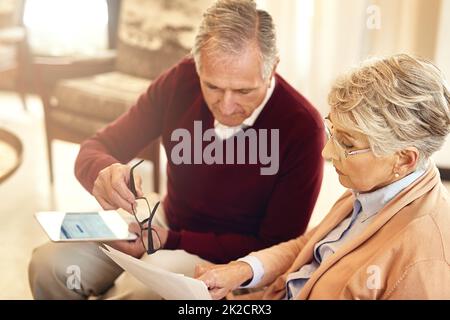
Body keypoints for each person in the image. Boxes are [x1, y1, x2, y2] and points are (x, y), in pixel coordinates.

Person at [28, 0, 324, 299]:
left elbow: (276, 248)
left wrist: (171, 240)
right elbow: (97, 146)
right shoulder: (181, 80)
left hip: (228, 257)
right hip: (163, 222)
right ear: (197, 65)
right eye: (213, 87)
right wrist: (103, 172)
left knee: (140, 293)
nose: (226, 105)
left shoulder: (302, 128)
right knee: (50, 266)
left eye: (244, 91)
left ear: (272, 67)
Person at [196, 54, 450, 300]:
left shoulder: (426, 258)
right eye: (333, 132)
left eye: (347, 143)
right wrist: (241, 270)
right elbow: (309, 246)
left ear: (405, 159)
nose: (327, 151)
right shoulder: (376, 189)